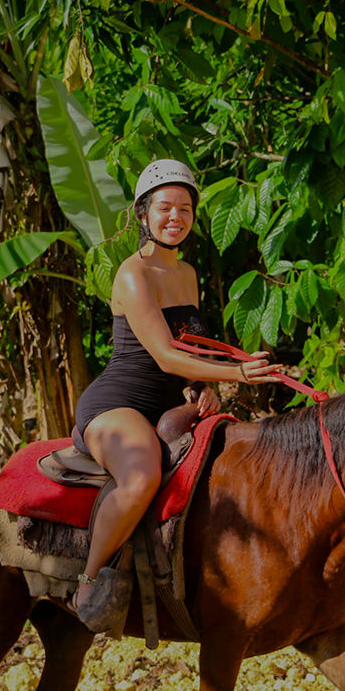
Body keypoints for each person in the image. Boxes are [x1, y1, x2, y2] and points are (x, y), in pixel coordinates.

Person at [69, 159, 284, 632]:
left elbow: (190, 345)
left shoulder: (185, 273)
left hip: (170, 402)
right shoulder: (132, 274)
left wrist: (203, 385)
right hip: (118, 405)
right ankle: (88, 583)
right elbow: (166, 356)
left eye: (185, 208)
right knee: (142, 475)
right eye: (164, 207)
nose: (175, 217)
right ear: (143, 213)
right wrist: (238, 374)